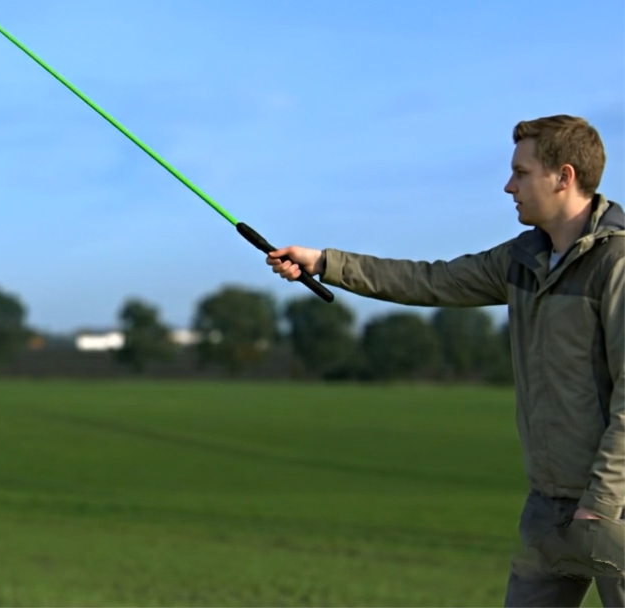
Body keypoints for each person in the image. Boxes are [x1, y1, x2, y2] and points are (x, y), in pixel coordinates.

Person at [266, 114, 623, 607]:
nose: (507, 186)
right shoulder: (521, 258)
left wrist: (601, 504)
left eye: (521, 173)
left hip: (614, 508)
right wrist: (325, 262)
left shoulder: (617, 263)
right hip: (550, 503)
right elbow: (430, 280)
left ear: (564, 176)